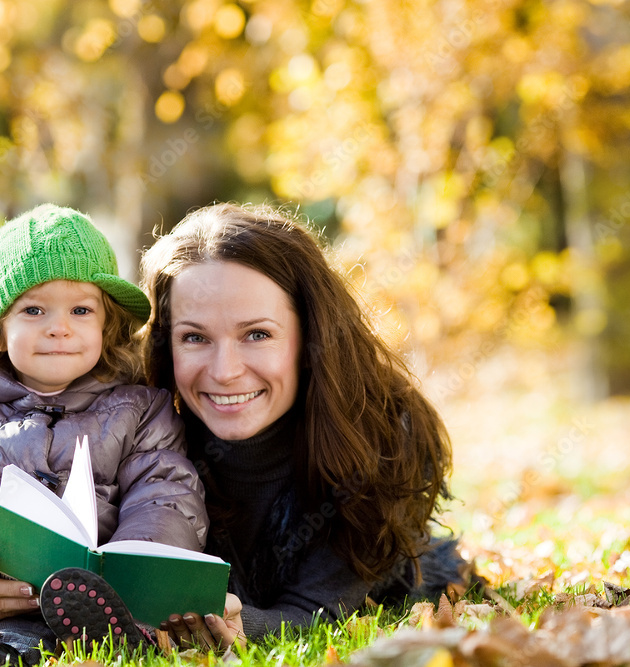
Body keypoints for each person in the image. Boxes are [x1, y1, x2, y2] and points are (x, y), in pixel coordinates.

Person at [0, 204, 209, 666]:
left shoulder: (141, 409)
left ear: (107, 323)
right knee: (10, 634)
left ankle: (121, 638)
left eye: (81, 310)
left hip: (111, 596)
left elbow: (165, 493)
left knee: (104, 614)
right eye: (34, 310)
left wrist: (130, 564)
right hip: (9, 595)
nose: (59, 327)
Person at [138, 202, 465, 649]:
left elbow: (317, 613)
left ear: (310, 336)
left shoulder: (383, 438)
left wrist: (243, 626)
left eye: (257, 334)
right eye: (194, 337)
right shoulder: (134, 430)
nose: (225, 371)